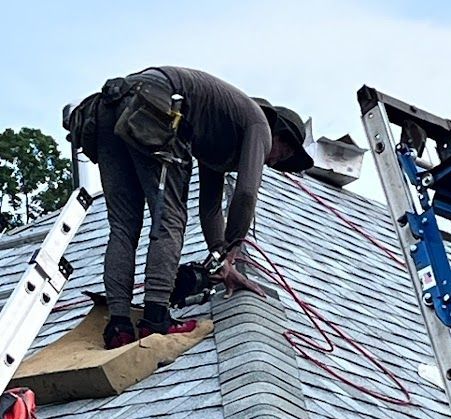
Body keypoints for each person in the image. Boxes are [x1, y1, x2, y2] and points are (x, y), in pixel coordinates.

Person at [75, 67, 313, 348]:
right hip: (154, 105)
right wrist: (234, 249)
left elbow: (210, 208)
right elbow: (246, 194)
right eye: (281, 154)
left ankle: (119, 327)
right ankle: (155, 319)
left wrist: (221, 259)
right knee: (170, 219)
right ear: (278, 134)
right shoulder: (259, 124)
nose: (271, 162)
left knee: (124, 225)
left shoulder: (217, 133)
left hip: (108, 106)